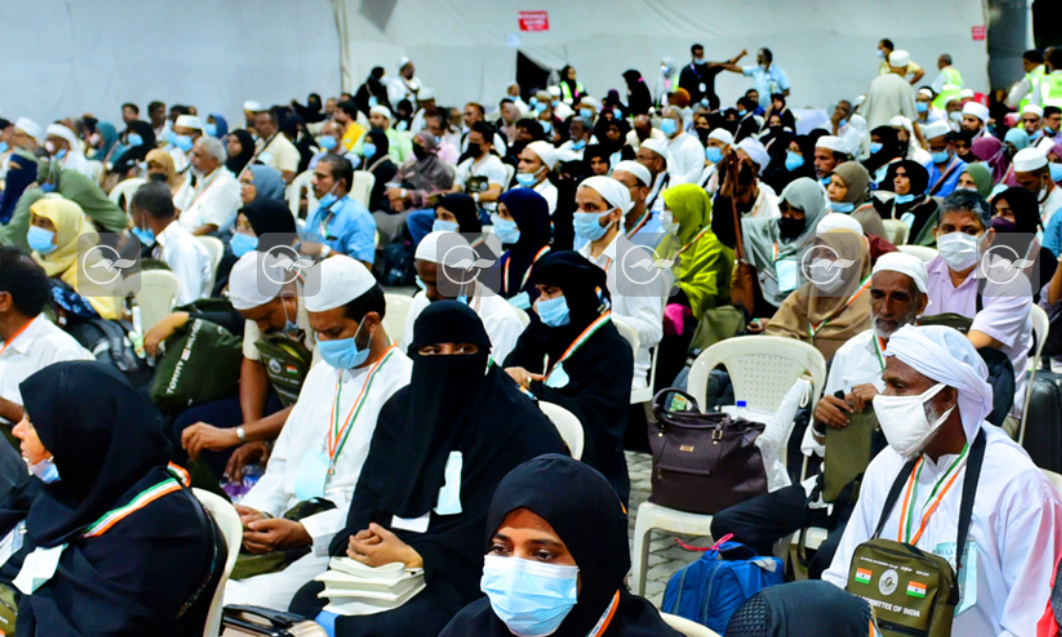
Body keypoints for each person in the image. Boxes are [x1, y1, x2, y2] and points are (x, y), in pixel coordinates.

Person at [293, 302, 567, 636]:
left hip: (461, 570)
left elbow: (517, 518)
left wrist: (419, 556)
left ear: (484, 353)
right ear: (417, 355)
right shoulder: (401, 411)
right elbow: (370, 495)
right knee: (304, 604)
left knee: (396, 628)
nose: (448, 361)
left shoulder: (517, 422)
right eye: (433, 351)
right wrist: (363, 537)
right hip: (384, 560)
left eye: (464, 350)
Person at [822, 325, 1062, 635]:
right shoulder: (886, 466)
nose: (885, 399)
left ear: (947, 397)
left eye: (899, 387)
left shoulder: (1017, 487)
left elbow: (1030, 625)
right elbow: (842, 579)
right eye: (886, 385)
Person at [713, 253, 928, 578]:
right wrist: (820, 421)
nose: (885, 308)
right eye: (877, 295)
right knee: (730, 525)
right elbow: (818, 445)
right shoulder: (851, 352)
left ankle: (810, 604)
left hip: (888, 493)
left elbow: (936, 437)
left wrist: (888, 403)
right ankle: (766, 597)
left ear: (920, 303)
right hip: (833, 486)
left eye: (898, 297)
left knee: (827, 559)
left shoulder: (932, 358)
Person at [225, 256, 412, 609]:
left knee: (244, 604)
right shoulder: (322, 374)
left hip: (343, 538)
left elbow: (386, 499)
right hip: (288, 524)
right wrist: (256, 512)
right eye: (318, 333)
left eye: (334, 333)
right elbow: (281, 465)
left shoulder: (406, 386)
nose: (324, 343)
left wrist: (306, 532)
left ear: (371, 322)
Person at [11, 361, 223, 636]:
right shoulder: (84, 487)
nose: (17, 431)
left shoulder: (159, 530)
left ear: (79, 435)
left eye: (32, 423)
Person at [439, 454, 683, 637]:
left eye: (543, 555)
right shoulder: (470, 626)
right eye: (501, 549)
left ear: (594, 563)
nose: (515, 574)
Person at [504, 251, 633, 504]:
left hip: (589, 469)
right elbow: (508, 373)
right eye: (539, 292)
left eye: (550, 292)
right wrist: (512, 377)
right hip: (526, 453)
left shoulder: (612, 350)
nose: (541, 301)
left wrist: (531, 389)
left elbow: (594, 420)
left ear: (577, 293)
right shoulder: (539, 332)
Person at [923, 190, 1033, 426]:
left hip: (991, 407)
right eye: (948, 230)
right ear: (936, 234)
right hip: (924, 394)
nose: (957, 238)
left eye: (969, 230)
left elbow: (972, 346)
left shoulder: (1011, 283)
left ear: (989, 237)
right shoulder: (921, 276)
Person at [575, 177, 667, 391]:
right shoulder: (578, 258)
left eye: (590, 208)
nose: (580, 214)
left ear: (615, 214)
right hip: (578, 364)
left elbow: (652, 330)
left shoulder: (635, 263)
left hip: (622, 370)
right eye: (578, 206)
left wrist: (601, 322)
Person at [0, 247, 92, 425]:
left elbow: (72, 429)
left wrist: (5, 408)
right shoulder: (5, 343)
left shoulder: (61, 353)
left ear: (3, 301)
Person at [401, 232, 524, 363]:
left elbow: (497, 374)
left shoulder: (500, 320)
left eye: (437, 284)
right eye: (423, 283)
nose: (429, 294)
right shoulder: (421, 302)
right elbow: (407, 362)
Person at [765, 218, 873, 359]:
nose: (821, 262)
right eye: (817, 254)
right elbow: (776, 332)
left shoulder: (873, 303)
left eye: (830, 255)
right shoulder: (804, 295)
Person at [26, 195, 121, 320]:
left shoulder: (94, 267)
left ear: (66, 230)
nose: (36, 229)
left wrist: (51, 289)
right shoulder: (35, 261)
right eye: (35, 222)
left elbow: (103, 311)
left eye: (44, 223)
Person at [130, 182, 211, 305]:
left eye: (133, 213)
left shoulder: (182, 248)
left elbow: (185, 302)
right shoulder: (160, 244)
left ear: (144, 216)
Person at [306, 155, 376, 267]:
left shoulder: (357, 216)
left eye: (321, 177)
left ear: (341, 184)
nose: (313, 181)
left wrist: (324, 251)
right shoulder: (315, 214)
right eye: (314, 175)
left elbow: (364, 268)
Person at [494, 188, 552, 308]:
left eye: (506, 214)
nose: (499, 220)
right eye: (498, 213)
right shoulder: (503, 261)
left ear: (527, 218)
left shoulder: (552, 264)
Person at [174, 136, 242, 236]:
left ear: (214, 161)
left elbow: (211, 226)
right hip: (182, 233)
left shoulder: (224, 184)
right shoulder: (201, 175)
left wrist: (184, 241)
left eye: (197, 156)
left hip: (198, 240)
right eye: (192, 154)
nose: (192, 159)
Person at [874, 160, 941, 245]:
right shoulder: (889, 203)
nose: (897, 180)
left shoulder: (928, 206)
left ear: (915, 178)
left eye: (904, 176)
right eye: (896, 175)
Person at [449, 121, 507, 214]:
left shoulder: (495, 164)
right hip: (463, 208)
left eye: (476, 141)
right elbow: (455, 189)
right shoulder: (465, 164)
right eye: (470, 140)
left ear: (487, 145)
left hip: (485, 211)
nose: (472, 144)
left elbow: (494, 193)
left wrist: (472, 197)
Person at [825, 161, 887, 239]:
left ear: (854, 189)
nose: (830, 189)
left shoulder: (863, 220)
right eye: (830, 182)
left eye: (839, 185)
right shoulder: (832, 211)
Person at [1018, 149, 1062, 254]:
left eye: (1026, 183)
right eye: (1018, 184)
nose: (1021, 189)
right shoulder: (1026, 204)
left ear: (1045, 178)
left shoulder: (1060, 204)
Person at [861, 57, 919, 130]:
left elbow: (864, 113)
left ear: (890, 66)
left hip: (872, 132)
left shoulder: (875, 81)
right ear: (906, 68)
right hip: (892, 133)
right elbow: (911, 118)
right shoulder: (904, 85)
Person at [658, 107, 704, 185]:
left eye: (670, 119)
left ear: (681, 122)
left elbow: (694, 175)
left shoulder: (692, 143)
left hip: (680, 188)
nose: (666, 122)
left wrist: (674, 185)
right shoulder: (660, 141)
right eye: (664, 118)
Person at [253, 110, 300, 184]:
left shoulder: (284, 146)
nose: (257, 127)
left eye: (262, 123)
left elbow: (288, 176)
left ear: (274, 125)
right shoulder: (260, 143)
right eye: (255, 123)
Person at [921, 121, 965, 197]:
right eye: (933, 148)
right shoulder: (925, 166)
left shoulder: (962, 168)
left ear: (951, 144)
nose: (936, 152)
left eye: (940, 148)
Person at [513, 140, 558, 215]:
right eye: (520, 160)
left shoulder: (551, 195)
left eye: (528, 161)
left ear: (544, 170)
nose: (520, 165)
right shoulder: (514, 189)